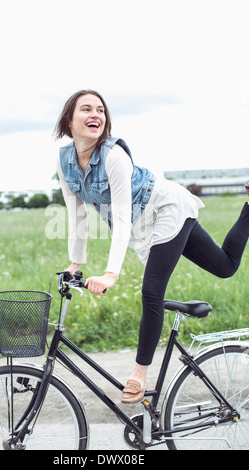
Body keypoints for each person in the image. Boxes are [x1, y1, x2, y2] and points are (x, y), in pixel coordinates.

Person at [55, 89, 249, 403]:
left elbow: (120, 217)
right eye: (86, 109)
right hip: (142, 227)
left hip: (165, 208)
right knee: (225, 267)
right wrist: (74, 265)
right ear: (69, 119)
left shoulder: (113, 155)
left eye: (100, 110)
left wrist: (110, 274)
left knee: (152, 289)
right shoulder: (65, 160)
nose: (95, 115)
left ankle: (139, 375)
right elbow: (77, 215)